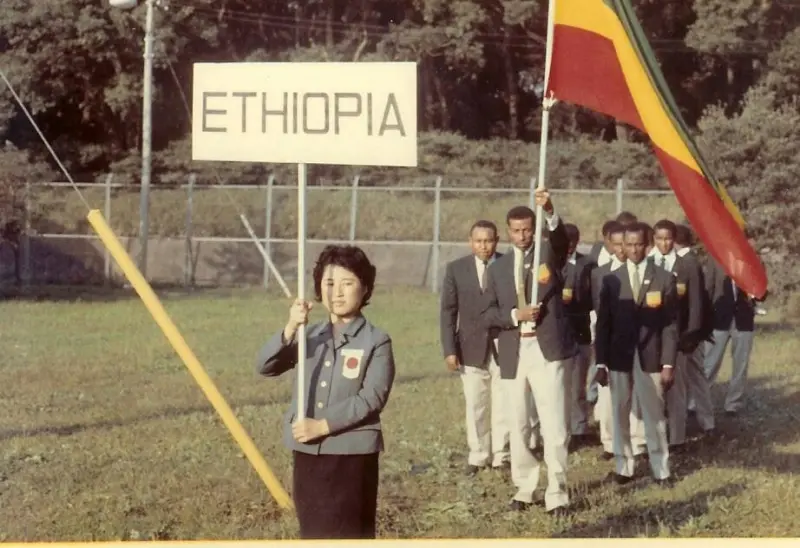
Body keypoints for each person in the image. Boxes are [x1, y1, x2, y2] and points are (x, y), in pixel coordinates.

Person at [254, 245, 396, 539]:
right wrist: (291, 326)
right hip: (307, 451)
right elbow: (265, 366)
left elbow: (373, 397)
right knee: (314, 531)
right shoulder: (309, 335)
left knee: (349, 534)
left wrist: (323, 425)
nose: (338, 293)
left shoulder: (376, 341)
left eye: (348, 283)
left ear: (365, 288)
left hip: (351, 455)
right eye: (329, 284)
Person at [481, 189, 577, 515]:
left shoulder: (548, 255)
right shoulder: (498, 268)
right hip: (513, 349)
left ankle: (558, 492)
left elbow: (561, 240)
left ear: (534, 228)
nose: (522, 236)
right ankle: (525, 488)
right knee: (518, 421)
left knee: (553, 422)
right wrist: (514, 316)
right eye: (516, 230)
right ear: (507, 231)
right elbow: (488, 314)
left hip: (546, 349)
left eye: (527, 229)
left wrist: (550, 210)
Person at [594, 222, 679, 485]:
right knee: (619, 412)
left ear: (648, 244)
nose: (633, 249)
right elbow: (603, 325)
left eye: (638, 244)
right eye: (627, 244)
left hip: (650, 357)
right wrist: (601, 362)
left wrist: (668, 363)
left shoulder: (664, 279)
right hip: (619, 357)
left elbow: (670, 325)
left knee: (654, 414)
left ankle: (661, 468)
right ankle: (624, 465)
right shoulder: (611, 280)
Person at [440, 220, 509, 475]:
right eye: (478, 241)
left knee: (503, 402)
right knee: (475, 404)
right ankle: (478, 455)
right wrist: (449, 349)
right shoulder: (456, 269)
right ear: (470, 242)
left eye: (489, 240)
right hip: (469, 347)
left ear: (497, 240)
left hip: (503, 344)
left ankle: (502, 455)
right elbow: (448, 311)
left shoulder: (507, 265)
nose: (484, 246)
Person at [651, 219, 712, 448]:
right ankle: (656, 436)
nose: (664, 243)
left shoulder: (687, 265)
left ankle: (677, 438)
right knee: (654, 390)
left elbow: (696, 304)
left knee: (677, 390)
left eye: (668, 239)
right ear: (654, 240)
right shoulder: (648, 263)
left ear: (674, 240)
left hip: (679, 338)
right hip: (653, 339)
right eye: (659, 239)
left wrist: (691, 337)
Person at [703, 246, 765, 416]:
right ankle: (697, 401)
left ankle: (733, 404)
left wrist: (756, 293)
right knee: (710, 362)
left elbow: (762, 290)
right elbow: (708, 288)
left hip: (743, 319)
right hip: (719, 318)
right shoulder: (715, 257)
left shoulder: (752, 259)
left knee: (740, 364)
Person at [561, 222, 595, 447]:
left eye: (573, 243)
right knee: (561, 384)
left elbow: (593, 296)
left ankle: (580, 427)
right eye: (566, 243)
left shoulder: (587, 264)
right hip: (559, 332)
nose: (570, 248)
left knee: (579, 383)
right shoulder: (550, 263)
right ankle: (561, 427)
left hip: (581, 330)